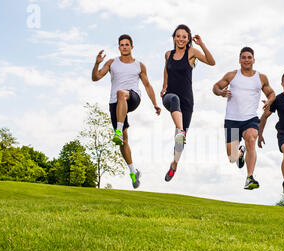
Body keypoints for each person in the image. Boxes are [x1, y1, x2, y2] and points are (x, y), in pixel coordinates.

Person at [92, 34, 161, 189]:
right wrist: (96, 64)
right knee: (124, 142)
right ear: (119, 47)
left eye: (127, 44)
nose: (124, 47)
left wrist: (155, 104)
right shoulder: (112, 63)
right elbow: (95, 78)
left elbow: (148, 85)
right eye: (121, 45)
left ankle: (117, 131)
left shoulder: (139, 65)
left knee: (121, 93)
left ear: (132, 47)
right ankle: (133, 172)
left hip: (133, 96)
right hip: (116, 104)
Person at [213, 47, 275, 190]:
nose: (246, 60)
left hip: (250, 118)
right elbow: (216, 87)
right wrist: (221, 93)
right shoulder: (232, 75)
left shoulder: (261, 78)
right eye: (244, 57)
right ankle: (240, 152)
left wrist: (270, 101)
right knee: (232, 158)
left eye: (249, 57)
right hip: (232, 120)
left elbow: (271, 93)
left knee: (251, 139)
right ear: (240, 60)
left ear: (253, 59)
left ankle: (250, 177)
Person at [161, 24, 215, 182]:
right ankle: (180, 130)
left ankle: (174, 164)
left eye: (184, 36)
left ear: (188, 39)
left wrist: (202, 45)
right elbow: (166, 69)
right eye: (178, 36)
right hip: (169, 97)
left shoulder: (191, 53)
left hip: (187, 101)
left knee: (179, 143)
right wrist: (164, 86)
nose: (181, 39)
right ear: (174, 38)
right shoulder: (168, 54)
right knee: (174, 101)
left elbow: (212, 62)